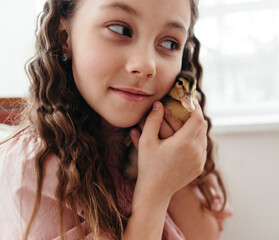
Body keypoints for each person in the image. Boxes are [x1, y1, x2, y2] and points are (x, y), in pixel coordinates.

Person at [0, 0, 232, 239]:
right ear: (64, 37)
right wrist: (155, 194)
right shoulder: (32, 169)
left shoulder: (169, 138)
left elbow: (205, 234)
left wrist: (173, 168)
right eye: (121, 30)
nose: (146, 65)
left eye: (170, 43)